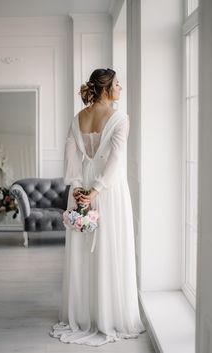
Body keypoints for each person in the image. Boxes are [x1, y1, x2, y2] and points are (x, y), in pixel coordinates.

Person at [49, 68, 146, 346]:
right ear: (106, 89)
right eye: (117, 84)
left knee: (83, 254)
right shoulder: (120, 118)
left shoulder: (78, 117)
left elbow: (70, 156)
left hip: (81, 191)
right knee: (111, 249)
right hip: (108, 191)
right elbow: (116, 160)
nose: (121, 88)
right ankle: (109, 316)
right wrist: (96, 191)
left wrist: (78, 187)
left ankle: (85, 314)